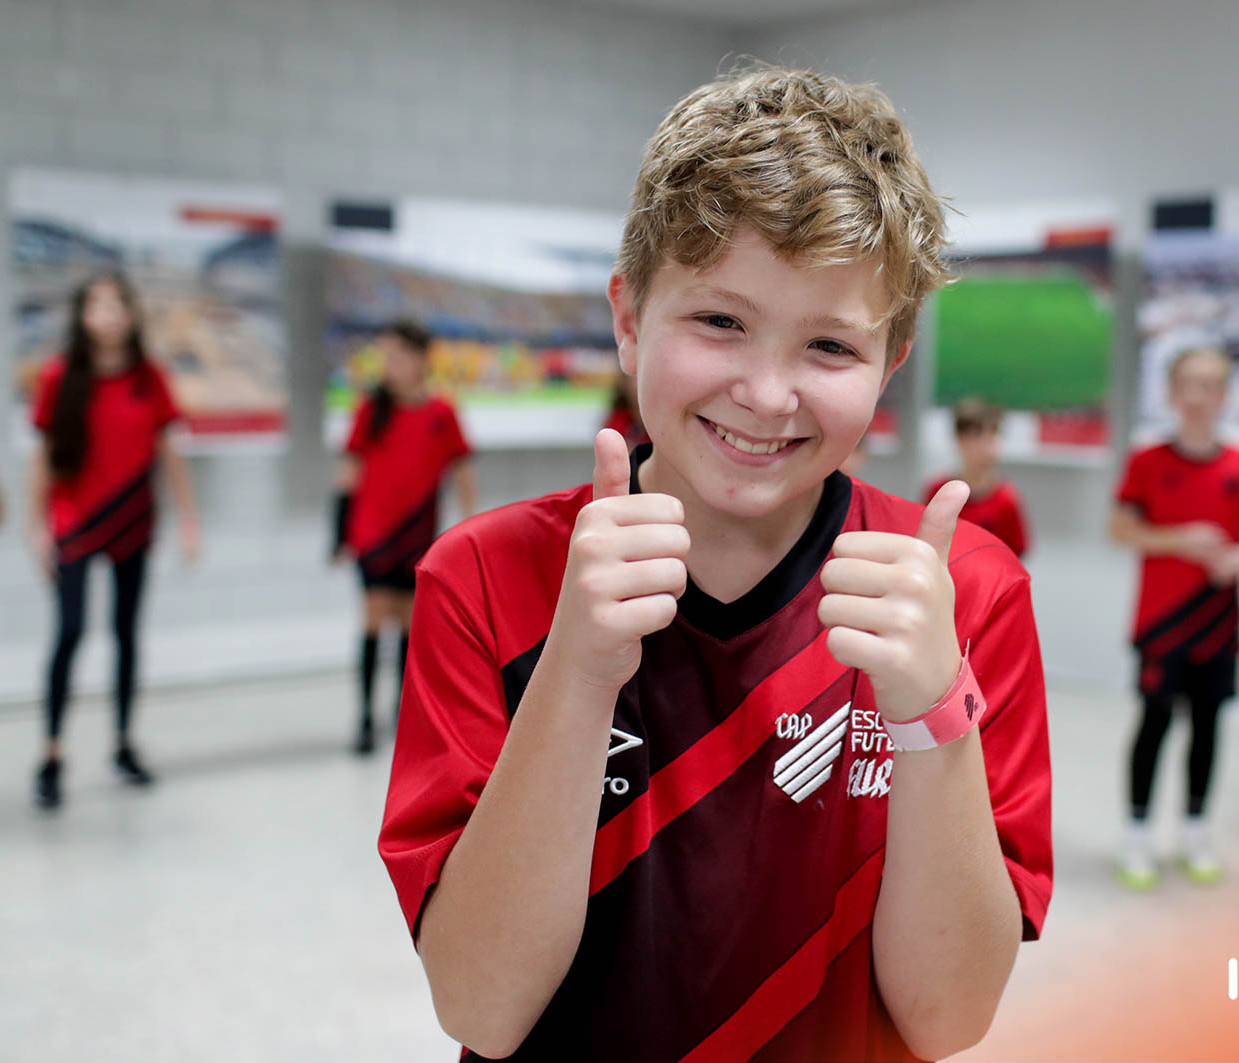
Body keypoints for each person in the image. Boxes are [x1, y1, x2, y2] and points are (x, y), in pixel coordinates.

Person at [378, 67, 1053, 1063]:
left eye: (829, 346)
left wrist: (929, 714)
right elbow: (481, 1002)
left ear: (893, 360)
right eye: (720, 322)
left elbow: (948, 1017)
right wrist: (576, 672)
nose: (767, 394)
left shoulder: (963, 591)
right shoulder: (483, 575)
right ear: (628, 319)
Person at [1109, 348, 1239, 887]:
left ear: (1225, 395)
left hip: (1219, 621)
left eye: (1209, 386)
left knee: (1208, 724)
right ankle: (1136, 836)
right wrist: (1177, 540)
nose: (1198, 396)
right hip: (1161, 623)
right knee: (1155, 721)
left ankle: (1195, 831)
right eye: (1187, 384)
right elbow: (1119, 528)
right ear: (1171, 392)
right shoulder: (1147, 461)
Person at [27, 272, 200, 809]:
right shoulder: (59, 376)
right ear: (82, 315)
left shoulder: (150, 378)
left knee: (126, 634)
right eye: (95, 306)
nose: (106, 316)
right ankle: (52, 753)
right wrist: (36, 525)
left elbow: (169, 452)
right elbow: (44, 457)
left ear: (130, 314)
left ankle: (123, 744)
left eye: (115, 305)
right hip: (75, 520)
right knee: (70, 631)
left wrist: (188, 518)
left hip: (133, 519)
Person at [333, 318, 475, 755]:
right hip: (372, 535)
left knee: (410, 624)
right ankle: (363, 717)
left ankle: (401, 713)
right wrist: (339, 532)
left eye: (398, 355)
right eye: (386, 356)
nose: (389, 364)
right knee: (373, 618)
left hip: (417, 536)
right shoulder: (370, 410)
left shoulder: (441, 414)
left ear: (420, 360)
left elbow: (462, 471)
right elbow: (349, 472)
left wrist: (469, 529)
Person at [925, 398, 1029, 557]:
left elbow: (1015, 553)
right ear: (959, 439)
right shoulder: (939, 491)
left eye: (993, 434)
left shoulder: (1006, 500)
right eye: (977, 435)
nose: (986, 444)